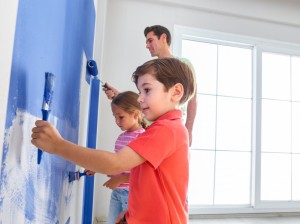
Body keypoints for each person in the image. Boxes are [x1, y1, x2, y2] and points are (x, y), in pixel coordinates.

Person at [31, 57, 196, 223]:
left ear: (176, 92)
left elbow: (116, 163)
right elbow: (148, 184)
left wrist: (58, 146)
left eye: (147, 90)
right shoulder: (163, 129)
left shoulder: (167, 129)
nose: (139, 98)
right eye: (139, 92)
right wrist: (129, 215)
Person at [104, 25, 197, 146]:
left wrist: (188, 129)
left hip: (168, 129)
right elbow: (146, 100)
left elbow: (193, 99)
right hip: (149, 129)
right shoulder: (150, 69)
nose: (147, 45)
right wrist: (119, 97)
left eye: (150, 40)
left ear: (163, 38)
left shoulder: (183, 65)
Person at [85, 91, 146, 224]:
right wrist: (96, 168)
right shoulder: (121, 137)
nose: (117, 121)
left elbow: (145, 172)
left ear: (135, 114)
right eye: (115, 117)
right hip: (118, 193)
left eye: (121, 117)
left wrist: (121, 179)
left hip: (132, 193)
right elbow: (116, 163)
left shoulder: (142, 137)